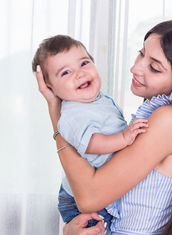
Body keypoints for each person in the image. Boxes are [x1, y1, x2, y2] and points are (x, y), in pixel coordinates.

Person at [36, 19, 172, 235]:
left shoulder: (169, 119)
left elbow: (89, 198)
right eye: (141, 53)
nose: (135, 67)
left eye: (154, 67)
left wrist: (56, 115)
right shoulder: (161, 115)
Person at [31, 35, 148, 230]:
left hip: (95, 189)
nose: (79, 74)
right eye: (66, 72)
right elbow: (92, 143)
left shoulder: (99, 100)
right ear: (50, 87)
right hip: (78, 201)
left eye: (84, 63)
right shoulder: (71, 114)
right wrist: (124, 138)